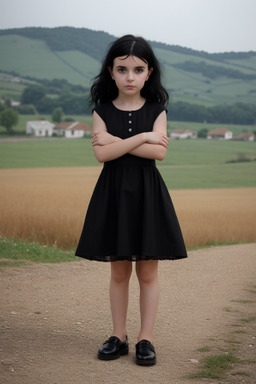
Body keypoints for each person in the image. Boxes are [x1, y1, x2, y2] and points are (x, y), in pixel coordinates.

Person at [75, 35, 187, 366]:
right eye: (122, 69)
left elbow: (159, 152)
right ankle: (118, 336)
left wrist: (118, 140)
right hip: (113, 197)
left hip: (147, 196)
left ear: (149, 73)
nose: (129, 77)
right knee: (119, 273)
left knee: (148, 274)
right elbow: (101, 154)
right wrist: (141, 136)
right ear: (110, 71)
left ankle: (145, 340)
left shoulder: (157, 110)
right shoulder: (102, 111)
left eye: (137, 70)